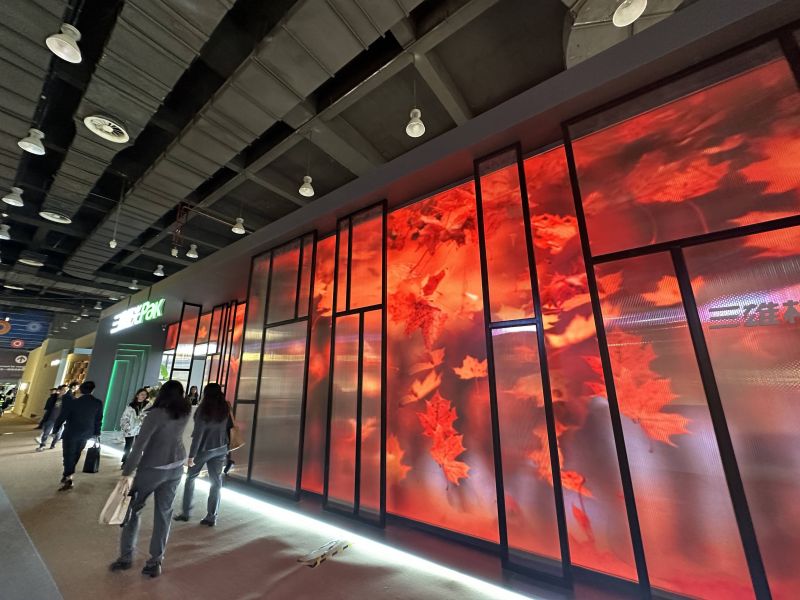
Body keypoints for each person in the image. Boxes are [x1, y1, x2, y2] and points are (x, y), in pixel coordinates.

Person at [110, 380, 191, 578]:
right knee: (164, 513)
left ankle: (126, 557)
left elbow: (139, 445)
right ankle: (155, 561)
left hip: (153, 467)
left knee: (133, 509)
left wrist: (127, 472)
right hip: (176, 467)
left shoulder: (155, 414)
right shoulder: (184, 412)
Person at [174, 383, 231, 527]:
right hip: (221, 447)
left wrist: (191, 456)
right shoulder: (225, 407)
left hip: (205, 449)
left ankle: (186, 512)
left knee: (190, 477)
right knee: (216, 482)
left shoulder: (204, 409)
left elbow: (199, 434)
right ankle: (212, 516)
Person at [53, 381, 103, 491]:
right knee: (76, 453)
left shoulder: (73, 402)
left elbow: (63, 416)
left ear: (80, 389)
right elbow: (98, 419)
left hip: (71, 432)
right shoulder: (98, 403)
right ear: (93, 390)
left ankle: (68, 476)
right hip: (86, 433)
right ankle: (68, 474)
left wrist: (56, 428)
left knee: (68, 454)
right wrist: (96, 432)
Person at [119, 388, 149, 467]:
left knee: (139, 446)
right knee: (128, 446)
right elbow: (125, 417)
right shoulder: (131, 405)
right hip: (130, 429)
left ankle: (137, 462)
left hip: (141, 429)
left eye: (145, 394)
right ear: (137, 395)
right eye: (142, 394)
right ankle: (125, 462)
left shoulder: (148, 406)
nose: (143, 396)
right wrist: (127, 427)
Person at [35, 386, 67, 451]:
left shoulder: (67, 400)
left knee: (58, 434)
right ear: (59, 390)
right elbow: (47, 407)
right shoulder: (54, 398)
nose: (65, 391)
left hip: (60, 420)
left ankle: (53, 444)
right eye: (63, 390)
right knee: (46, 432)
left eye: (66, 390)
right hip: (51, 418)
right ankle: (42, 445)